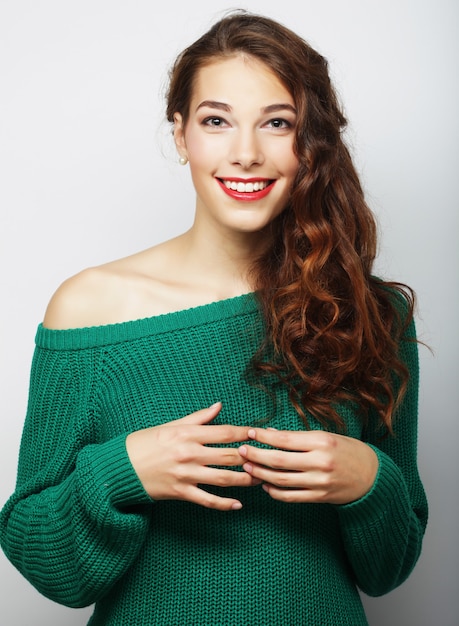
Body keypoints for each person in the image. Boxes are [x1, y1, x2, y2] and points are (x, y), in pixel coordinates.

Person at [0, 10, 427, 626]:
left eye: (277, 123)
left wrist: (369, 480)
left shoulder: (373, 313)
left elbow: (389, 570)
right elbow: (45, 564)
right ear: (180, 135)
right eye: (216, 121)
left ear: (312, 141)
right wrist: (124, 471)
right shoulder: (90, 307)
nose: (246, 154)